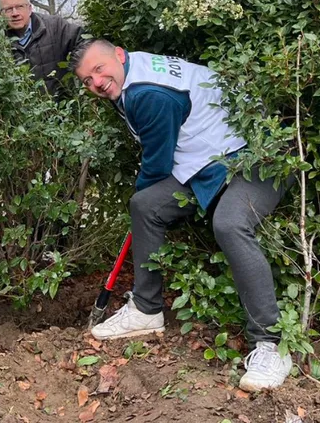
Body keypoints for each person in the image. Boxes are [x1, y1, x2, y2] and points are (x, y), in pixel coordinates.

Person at [71, 39, 294, 392]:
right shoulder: (130, 74)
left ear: (118, 54)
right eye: (87, 80)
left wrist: (144, 186)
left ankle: (271, 345)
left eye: (98, 70)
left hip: (257, 154)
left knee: (230, 223)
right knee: (145, 206)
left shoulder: (148, 93)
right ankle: (146, 309)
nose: (96, 82)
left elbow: (157, 166)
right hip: (209, 158)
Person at [0, 0, 84, 94]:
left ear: (30, 9)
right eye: (8, 9)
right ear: (1, 14)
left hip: (61, 107)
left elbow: (84, 42)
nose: (15, 13)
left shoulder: (55, 27)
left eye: (20, 6)